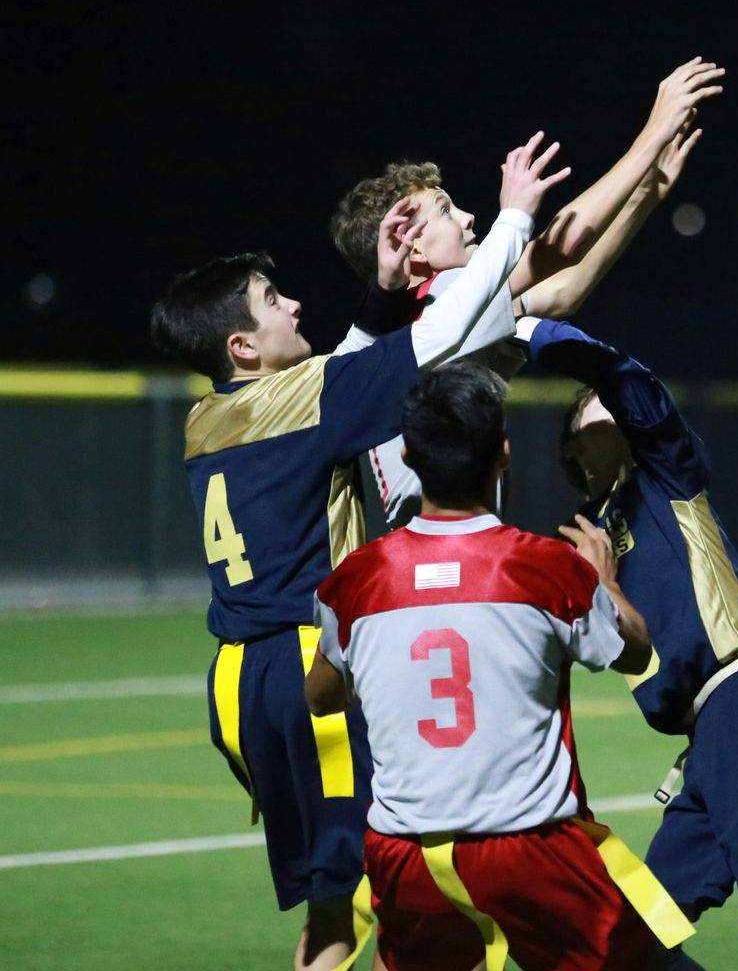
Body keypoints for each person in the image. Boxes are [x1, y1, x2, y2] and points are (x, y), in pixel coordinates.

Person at [148, 132, 566, 971]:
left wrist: (377, 295)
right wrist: (517, 218)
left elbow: (334, 379)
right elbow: (438, 334)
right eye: (271, 301)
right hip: (315, 678)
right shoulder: (303, 404)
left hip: (238, 686)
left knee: (333, 918)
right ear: (240, 345)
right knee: (419, 898)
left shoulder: (207, 419)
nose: (293, 306)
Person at [305, 361, 706, 971]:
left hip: (406, 857)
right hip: (531, 847)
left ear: (408, 457)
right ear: (504, 456)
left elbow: (322, 695)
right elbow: (634, 648)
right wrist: (604, 580)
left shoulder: (355, 580)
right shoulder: (546, 568)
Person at [536, 317, 738, 969]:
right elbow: (615, 648)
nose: (618, 418)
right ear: (573, 452)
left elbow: (625, 378)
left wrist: (531, 324)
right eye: (598, 417)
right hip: (708, 738)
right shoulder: (583, 541)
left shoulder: (664, 475)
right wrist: (593, 588)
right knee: (633, 940)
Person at [328, 57, 721, 528]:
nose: (467, 218)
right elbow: (559, 249)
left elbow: (562, 290)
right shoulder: (441, 298)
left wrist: (644, 194)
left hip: (420, 552)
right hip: (436, 556)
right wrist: (655, 129)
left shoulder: (423, 319)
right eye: (445, 211)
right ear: (411, 251)